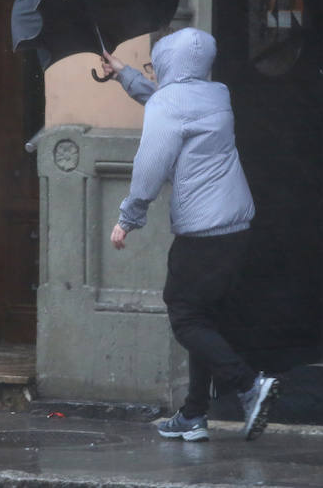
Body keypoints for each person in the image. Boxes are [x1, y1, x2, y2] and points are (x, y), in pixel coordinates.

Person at [100, 27, 279, 442]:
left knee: (184, 316)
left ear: (168, 64)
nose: (155, 70)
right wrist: (126, 74)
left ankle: (249, 385)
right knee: (204, 318)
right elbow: (167, 102)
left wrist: (129, 217)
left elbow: (151, 164)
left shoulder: (173, 104)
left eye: (156, 63)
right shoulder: (216, 94)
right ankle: (194, 413)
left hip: (202, 232)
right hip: (236, 226)